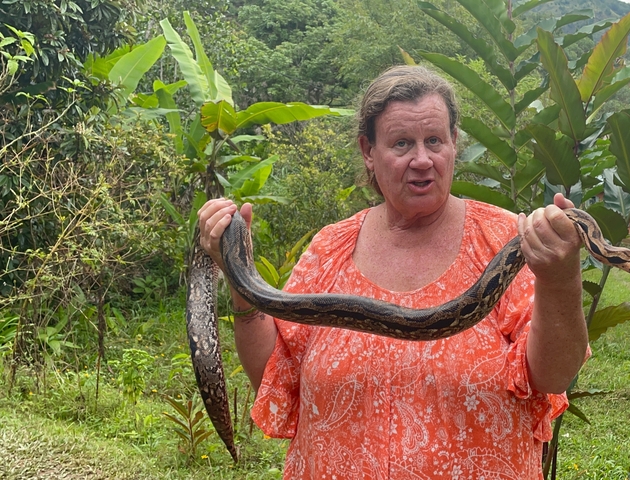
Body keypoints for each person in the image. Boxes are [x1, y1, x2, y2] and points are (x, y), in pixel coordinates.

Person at [198, 65, 589, 479]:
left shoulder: (509, 241)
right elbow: (273, 374)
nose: (422, 160)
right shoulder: (330, 249)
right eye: (402, 143)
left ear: (454, 143)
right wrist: (238, 274)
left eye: (434, 140)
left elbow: (553, 375)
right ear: (369, 151)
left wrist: (560, 277)